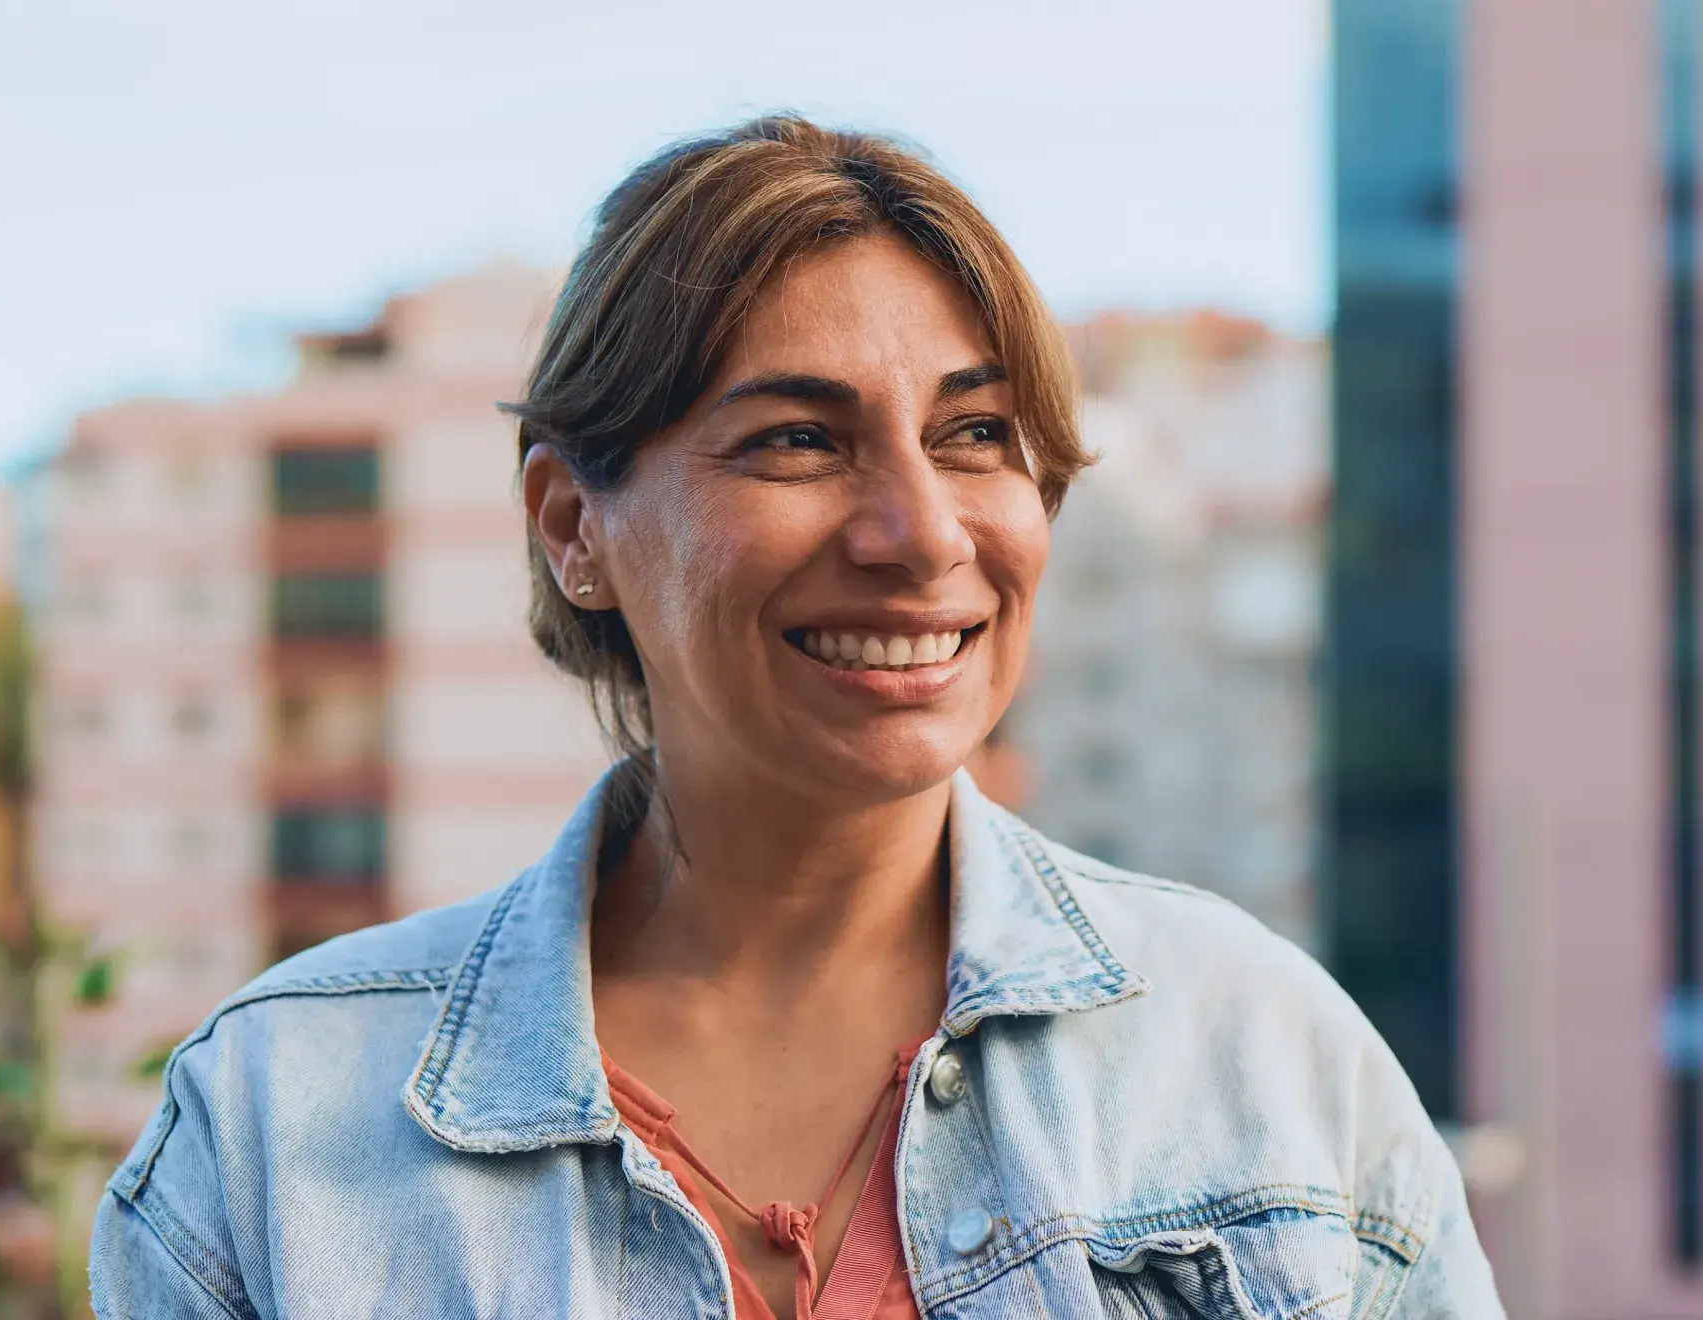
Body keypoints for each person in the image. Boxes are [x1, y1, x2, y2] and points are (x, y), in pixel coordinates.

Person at [88, 117, 1502, 1319]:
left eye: (975, 435)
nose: (921, 533)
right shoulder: (277, 1129)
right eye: (799, 439)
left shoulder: (1259, 1057)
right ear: (575, 524)